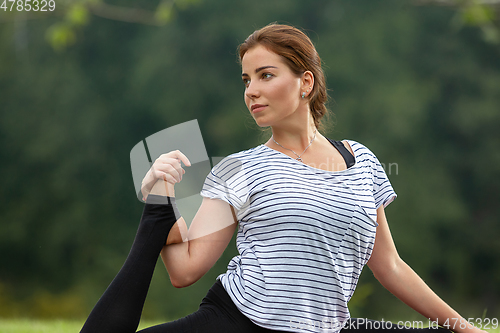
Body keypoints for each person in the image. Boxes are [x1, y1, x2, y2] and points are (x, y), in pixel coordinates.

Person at [80, 24, 487, 333]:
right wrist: (160, 201)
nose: (251, 91)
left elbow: (390, 266)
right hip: (238, 321)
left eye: (265, 75)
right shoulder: (240, 167)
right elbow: (185, 270)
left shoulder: (360, 159)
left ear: (305, 82)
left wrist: (460, 325)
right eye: (246, 79)